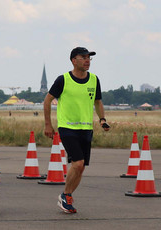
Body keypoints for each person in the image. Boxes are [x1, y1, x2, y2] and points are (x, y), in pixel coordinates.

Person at [43, 47, 110, 214]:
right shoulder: (63, 79)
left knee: (80, 167)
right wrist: (48, 124)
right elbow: (47, 100)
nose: (87, 60)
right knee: (78, 163)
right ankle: (66, 195)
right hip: (67, 128)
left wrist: (102, 120)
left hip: (86, 128)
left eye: (89, 58)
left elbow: (98, 102)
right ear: (74, 60)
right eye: (83, 57)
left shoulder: (94, 80)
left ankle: (66, 195)